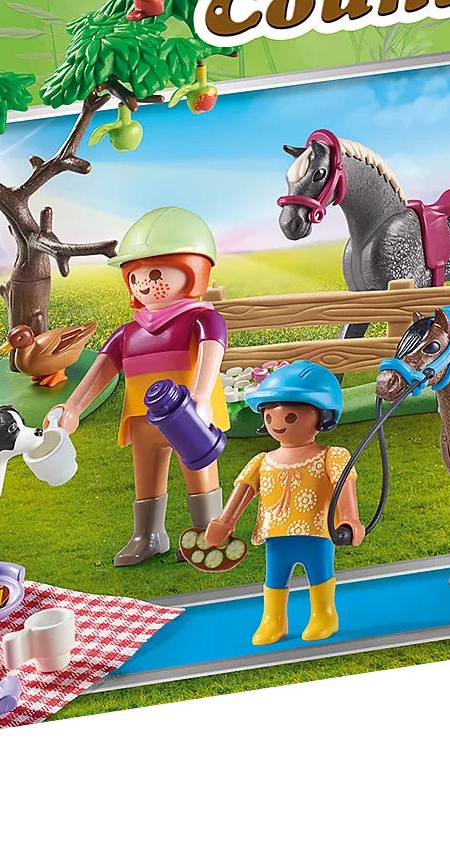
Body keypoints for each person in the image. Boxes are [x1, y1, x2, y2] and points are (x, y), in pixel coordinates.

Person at [48, 207, 229, 565]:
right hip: (144, 418)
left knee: (198, 470)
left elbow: (212, 351)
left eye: (156, 273)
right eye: (134, 276)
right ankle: (148, 535)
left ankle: (208, 532)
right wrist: (73, 407)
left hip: (188, 414)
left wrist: (201, 396)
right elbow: (101, 369)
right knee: (146, 477)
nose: (144, 283)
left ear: (193, 270)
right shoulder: (129, 332)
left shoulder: (203, 318)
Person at [204, 361, 364, 644]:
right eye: (269, 416)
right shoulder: (262, 461)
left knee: (319, 574)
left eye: (291, 417)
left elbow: (344, 486)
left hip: (316, 532)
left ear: (323, 416)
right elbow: (242, 491)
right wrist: (225, 521)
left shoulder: (332, 456)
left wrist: (350, 519)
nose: (277, 423)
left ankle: (324, 615)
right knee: (275, 578)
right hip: (276, 534)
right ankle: (273, 619)